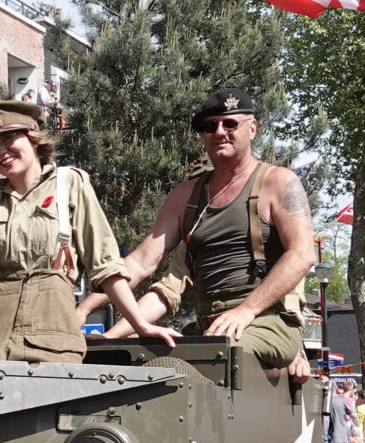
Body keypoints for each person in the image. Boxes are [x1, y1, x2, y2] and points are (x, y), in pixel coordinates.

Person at [0, 28, 165, 360]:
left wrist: (140, 323)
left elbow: (106, 265)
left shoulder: (70, 184)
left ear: (33, 138)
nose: (0, 151)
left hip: (51, 331)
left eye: (9, 138)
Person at [112, 88, 318, 374]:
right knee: (132, 356)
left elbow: (302, 255)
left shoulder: (278, 182)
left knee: (217, 356)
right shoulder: (187, 197)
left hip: (266, 318)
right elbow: (141, 264)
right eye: (211, 126)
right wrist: (91, 320)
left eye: (230, 124)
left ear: (253, 128)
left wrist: (246, 310)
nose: (220, 131)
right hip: (210, 325)